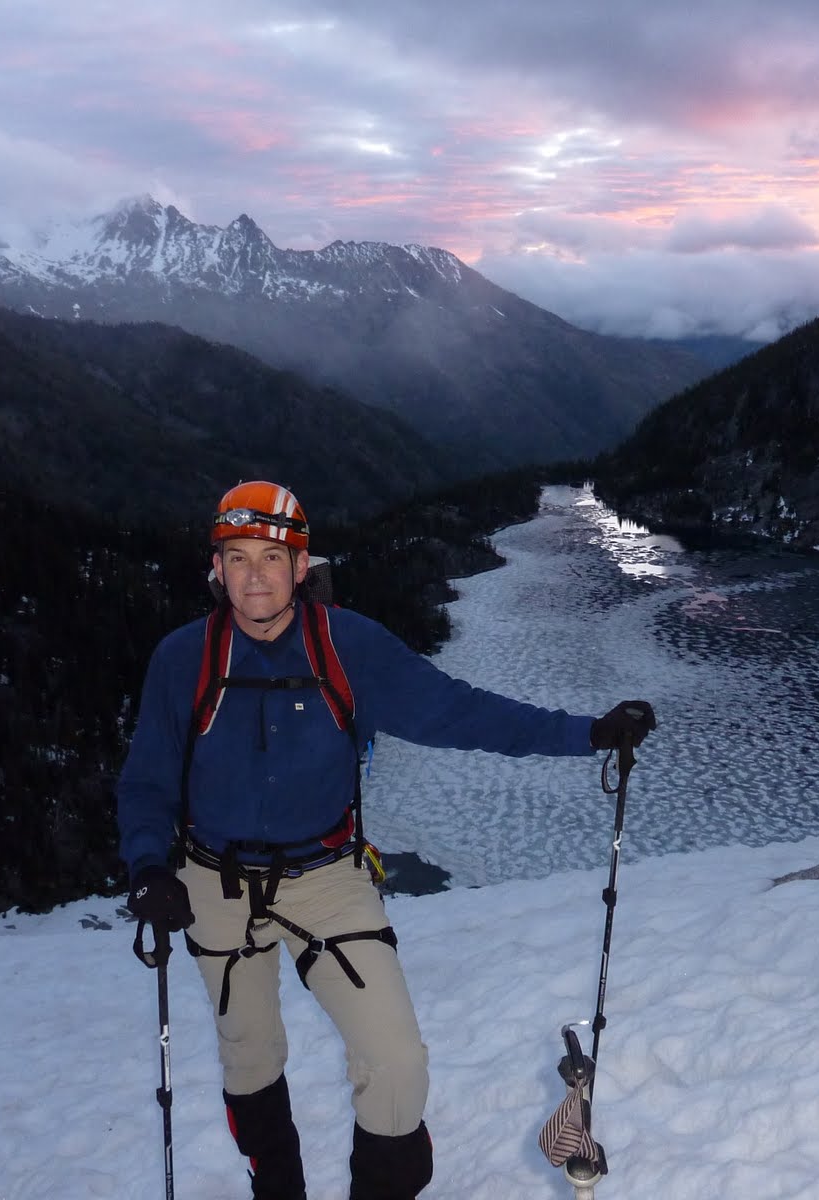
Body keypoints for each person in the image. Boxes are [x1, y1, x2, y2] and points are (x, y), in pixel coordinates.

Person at [116, 480, 657, 1200]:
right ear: (216, 569)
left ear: (301, 569)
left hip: (327, 877)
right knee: (249, 1057)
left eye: (272, 559)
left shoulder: (349, 647)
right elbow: (147, 780)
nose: (254, 577)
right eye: (237, 558)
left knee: (396, 1062)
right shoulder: (185, 659)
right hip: (212, 882)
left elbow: (460, 714)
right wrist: (150, 868)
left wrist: (586, 733)